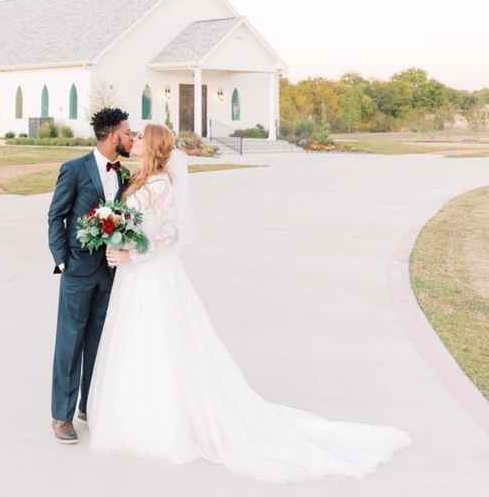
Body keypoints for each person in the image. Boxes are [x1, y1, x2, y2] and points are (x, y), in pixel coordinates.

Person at [88, 124, 412, 483]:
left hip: (152, 275)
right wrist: (116, 238)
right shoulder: (139, 179)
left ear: (151, 146)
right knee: (136, 342)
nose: (132, 141)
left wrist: (132, 254)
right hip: (135, 278)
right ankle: (136, 412)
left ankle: (164, 423)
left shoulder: (161, 184)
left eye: (139, 138)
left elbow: (169, 234)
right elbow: (134, 225)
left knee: (160, 342)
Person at [47, 107, 133, 444]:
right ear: (112, 136)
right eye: (127, 133)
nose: (130, 138)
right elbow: (56, 216)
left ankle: (89, 406)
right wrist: (63, 262)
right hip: (77, 271)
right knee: (70, 343)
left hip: (110, 273)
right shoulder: (74, 170)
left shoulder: (124, 175)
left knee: (99, 342)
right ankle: (61, 416)